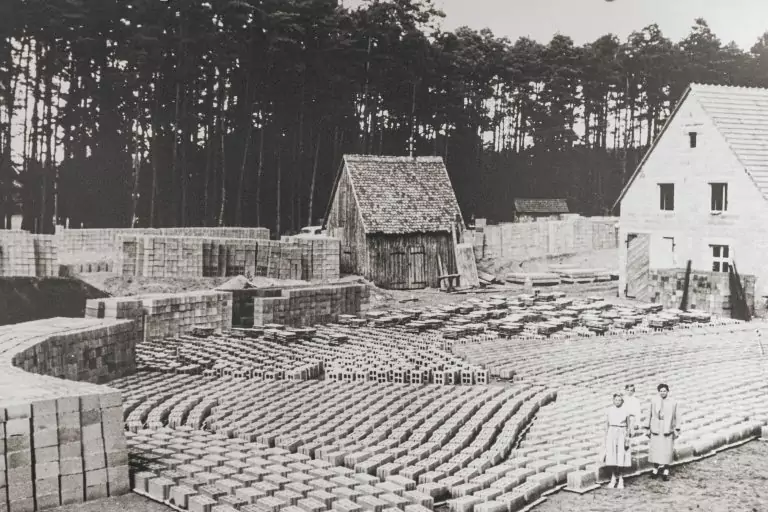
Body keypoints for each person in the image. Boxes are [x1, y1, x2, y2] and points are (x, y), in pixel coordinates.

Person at [645, 383, 680, 481]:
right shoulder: (654, 401)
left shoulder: (673, 402)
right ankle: (655, 470)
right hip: (656, 427)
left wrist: (677, 429)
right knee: (656, 449)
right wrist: (647, 427)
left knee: (667, 450)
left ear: (668, 391)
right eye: (661, 391)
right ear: (658, 392)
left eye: (664, 391)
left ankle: (666, 471)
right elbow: (649, 414)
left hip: (667, 428)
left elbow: (677, 416)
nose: (662, 393)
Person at [604, 392, 632, 489]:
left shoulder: (626, 411)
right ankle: (613, 477)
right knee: (612, 455)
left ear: (622, 401)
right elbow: (607, 425)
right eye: (616, 400)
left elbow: (629, 426)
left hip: (621, 432)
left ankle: (621, 478)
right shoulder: (609, 410)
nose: (617, 402)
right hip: (612, 433)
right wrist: (606, 436)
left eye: (619, 400)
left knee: (621, 456)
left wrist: (627, 437)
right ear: (613, 400)